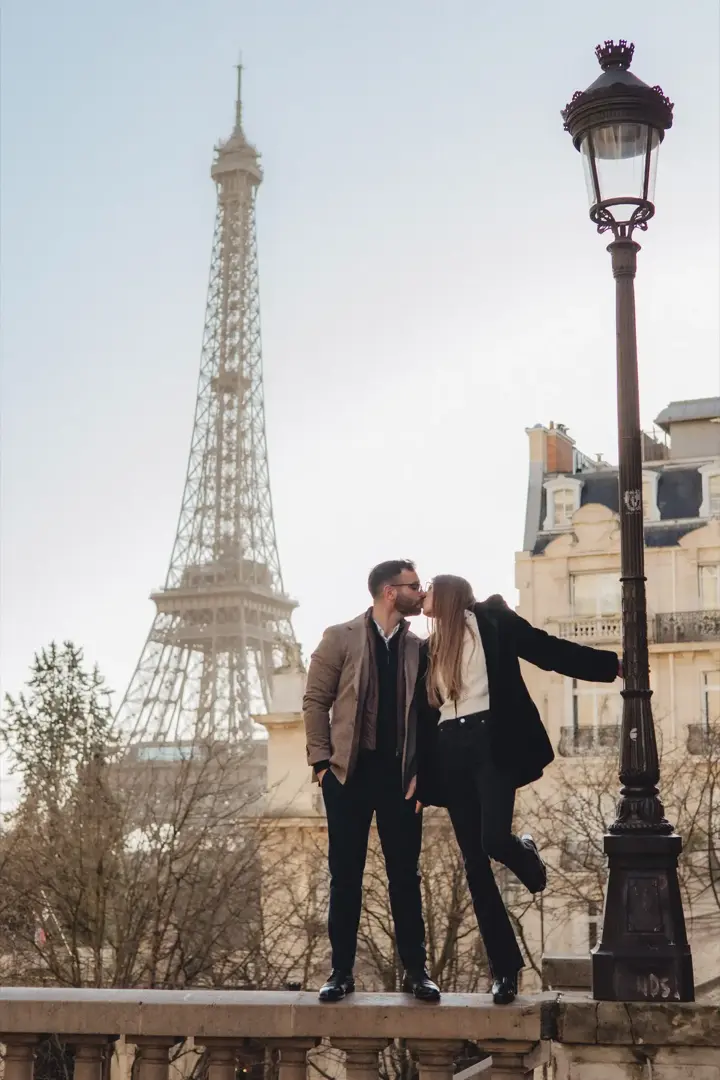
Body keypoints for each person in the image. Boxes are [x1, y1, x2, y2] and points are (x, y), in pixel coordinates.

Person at [416, 576, 621, 1005]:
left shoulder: (493, 622)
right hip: (450, 750)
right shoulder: (427, 649)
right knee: (474, 865)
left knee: (493, 840)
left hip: (493, 743)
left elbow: (547, 651)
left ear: (450, 592)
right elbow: (421, 718)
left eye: (430, 586)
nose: (423, 594)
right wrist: (419, 775)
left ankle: (522, 853)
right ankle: (504, 969)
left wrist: (610, 666)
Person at [303, 559, 440, 1003]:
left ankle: (416, 972)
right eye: (413, 586)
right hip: (349, 775)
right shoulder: (339, 638)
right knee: (345, 876)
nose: (420, 593)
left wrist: (426, 777)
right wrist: (323, 765)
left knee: (406, 877)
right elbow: (315, 702)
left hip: (400, 778)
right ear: (388, 591)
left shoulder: (420, 648)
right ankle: (341, 972)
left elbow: (430, 718)